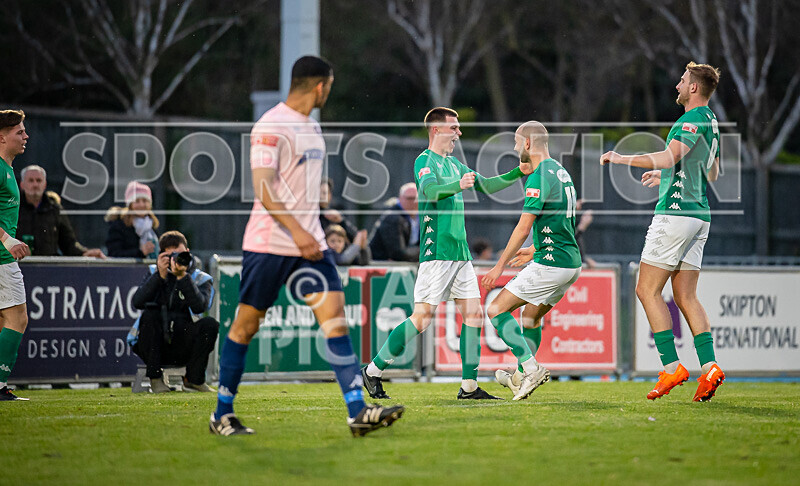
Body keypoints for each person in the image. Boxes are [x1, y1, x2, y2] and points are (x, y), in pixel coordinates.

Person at [210, 56, 404, 437]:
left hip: (311, 246)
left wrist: (314, 229)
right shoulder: (270, 125)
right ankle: (222, 413)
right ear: (320, 86)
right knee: (246, 327)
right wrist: (298, 232)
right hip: (269, 244)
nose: (329, 93)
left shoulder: (313, 128)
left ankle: (357, 411)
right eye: (329, 87)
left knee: (335, 322)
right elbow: (263, 187)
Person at [361, 107, 533, 401]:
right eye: (454, 127)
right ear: (436, 130)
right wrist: (458, 185)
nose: (459, 132)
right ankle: (373, 371)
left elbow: (488, 184)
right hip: (437, 252)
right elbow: (428, 192)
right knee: (422, 317)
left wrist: (519, 171)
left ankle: (468, 387)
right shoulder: (423, 161)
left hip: (460, 253)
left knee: (473, 316)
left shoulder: (455, 164)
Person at [601, 61, 724, 402]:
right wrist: (667, 179)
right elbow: (710, 172)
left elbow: (670, 158)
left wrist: (621, 158)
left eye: (683, 81)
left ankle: (672, 367)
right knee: (686, 296)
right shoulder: (712, 122)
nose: (678, 86)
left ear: (694, 88)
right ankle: (710, 366)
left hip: (675, 216)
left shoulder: (691, 119)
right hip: (699, 216)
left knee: (646, 290)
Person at [481, 121, 582, 400]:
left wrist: (498, 266)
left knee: (496, 309)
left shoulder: (539, 177)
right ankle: (519, 377)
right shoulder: (560, 172)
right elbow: (562, 221)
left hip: (552, 264)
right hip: (570, 263)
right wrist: (536, 249)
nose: (515, 148)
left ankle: (530, 367)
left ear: (527, 143)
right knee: (530, 317)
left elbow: (523, 227)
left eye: (516, 142)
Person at [128, 230, 218, 393]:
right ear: (161, 256)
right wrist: (159, 277)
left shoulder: (200, 278)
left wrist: (182, 277)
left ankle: (194, 380)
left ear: (188, 253)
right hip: (153, 343)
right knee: (150, 314)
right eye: (170, 256)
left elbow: (200, 306)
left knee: (210, 324)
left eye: (179, 254)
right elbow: (137, 302)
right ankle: (155, 379)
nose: (175, 260)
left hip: (183, 342)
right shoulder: (153, 272)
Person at [0, 109, 31, 401]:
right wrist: (8, 240)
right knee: (17, 318)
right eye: (19, 132)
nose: (25, 136)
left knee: (4, 320)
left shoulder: (7, 168)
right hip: (1, 258)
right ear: (1, 136)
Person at [17, 165, 105, 258]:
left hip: (48, 267)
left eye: (39, 180)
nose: (35, 184)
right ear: (22, 184)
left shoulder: (55, 209)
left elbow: (68, 243)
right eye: (31, 180)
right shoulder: (12, 208)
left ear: (45, 184)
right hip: (16, 266)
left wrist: (85, 253)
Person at [105, 181, 159, 259]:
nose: (141, 205)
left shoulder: (151, 226)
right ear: (130, 205)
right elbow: (113, 254)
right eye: (137, 201)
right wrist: (140, 252)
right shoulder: (118, 226)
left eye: (145, 201)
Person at [369, 183, 420, 262]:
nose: (414, 202)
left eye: (417, 198)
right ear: (400, 199)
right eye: (410, 198)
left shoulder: (420, 216)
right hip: (382, 265)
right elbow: (397, 253)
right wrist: (422, 253)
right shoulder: (392, 217)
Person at [319, 177, 358, 242]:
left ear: (330, 195)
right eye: (317, 192)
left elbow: (355, 237)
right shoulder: (309, 215)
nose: (320, 196)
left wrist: (341, 221)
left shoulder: (334, 217)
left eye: (324, 193)